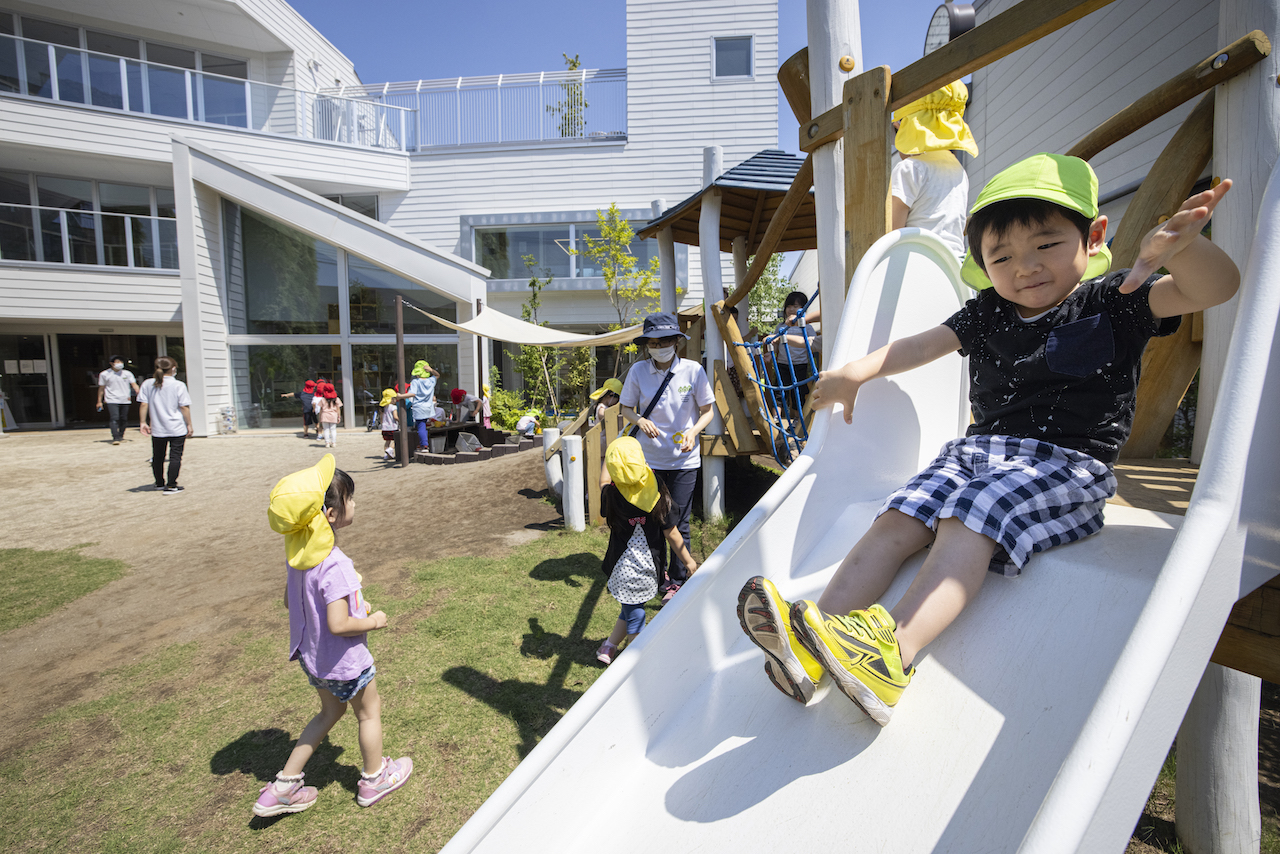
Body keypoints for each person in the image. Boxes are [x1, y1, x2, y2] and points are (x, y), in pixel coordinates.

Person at [736, 154, 1240, 725]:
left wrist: (1180, 249)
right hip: (978, 453)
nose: (1023, 268)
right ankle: (812, 638)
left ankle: (894, 653)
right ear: (982, 264)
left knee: (970, 513)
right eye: (1001, 257)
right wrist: (858, 371)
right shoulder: (988, 311)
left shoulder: (1116, 299)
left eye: (1045, 246)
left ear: (1093, 235)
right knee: (901, 513)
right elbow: (921, 345)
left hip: (1066, 466)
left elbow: (1216, 289)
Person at [256, 454, 412, 816]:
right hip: (345, 662)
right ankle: (375, 778)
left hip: (314, 660)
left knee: (328, 713)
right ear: (330, 514)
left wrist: (352, 603)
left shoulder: (299, 559)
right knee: (368, 713)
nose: (354, 504)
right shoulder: (336, 564)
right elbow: (339, 625)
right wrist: (374, 621)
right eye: (350, 498)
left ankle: (284, 785)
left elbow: (290, 602)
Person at [619, 312, 715, 602]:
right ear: (646, 344)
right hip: (649, 461)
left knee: (678, 520)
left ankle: (676, 580)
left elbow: (708, 410)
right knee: (654, 521)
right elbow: (626, 408)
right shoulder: (638, 372)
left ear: (676, 341)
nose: (659, 346)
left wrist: (694, 432)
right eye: (653, 341)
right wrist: (639, 421)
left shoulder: (694, 371)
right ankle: (655, 574)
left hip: (685, 461)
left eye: (665, 340)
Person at [596, 437, 699, 665]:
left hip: (622, 570)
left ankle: (612, 646)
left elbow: (604, 480)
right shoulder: (657, 487)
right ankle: (636, 661)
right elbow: (672, 533)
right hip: (650, 569)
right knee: (635, 613)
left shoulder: (612, 495)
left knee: (632, 609)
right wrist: (688, 561)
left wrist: (609, 460)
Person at [890, 80, 978, 262]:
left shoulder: (910, 168)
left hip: (918, 261)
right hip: (954, 264)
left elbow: (892, 233)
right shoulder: (958, 169)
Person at [137, 356, 193, 494]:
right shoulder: (178, 385)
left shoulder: (148, 384)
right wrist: (189, 424)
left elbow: (144, 404)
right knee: (175, 456)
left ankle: (159, 483)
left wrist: (143, 422)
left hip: (157, 427)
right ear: (173, 368)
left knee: (158, 456)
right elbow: (184, 407)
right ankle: (171, 485)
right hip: (176, 426)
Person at [774, 292, 819, 416]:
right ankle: (776, 418)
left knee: (797, 393)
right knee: (779, 391)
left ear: (804, 308)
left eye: (796, 306)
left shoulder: (806, 327)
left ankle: (797, 419)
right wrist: (770, 352)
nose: (791, 309)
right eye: (789, 306)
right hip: (782, 363)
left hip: (800, 364)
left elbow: (814, 343)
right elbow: (776, 344)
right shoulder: (781, 327)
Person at [396, 360, 440, 451]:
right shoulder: (430, 381)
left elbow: (412, 394)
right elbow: (437, 375)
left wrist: (401, 396)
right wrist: (431, 370)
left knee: (421, 427)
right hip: (428, 407)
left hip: (419, 407)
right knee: (422, 425)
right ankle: (421, 443)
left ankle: (424, 445)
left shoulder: (416, 382)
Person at [96, 355, 139, 445]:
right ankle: (115, 437)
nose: (120, 364)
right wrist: (99, 401)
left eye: (121, 362)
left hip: (125, 399)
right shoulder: (105, 374)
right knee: (114, 418)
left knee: (124, 418)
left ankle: (121, 435)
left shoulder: (127, 373)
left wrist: (138, 392)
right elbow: (101, 388)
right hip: (111, 399)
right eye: (117, 362)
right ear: (111, 363)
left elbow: (134, 384)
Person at [316, 383, 342, 448]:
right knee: (333, 430)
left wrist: (320, 417)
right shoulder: (336, 399)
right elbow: (338, 408)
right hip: (333, 415)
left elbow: (321, 409)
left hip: (325, 415)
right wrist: (339, 416)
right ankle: (333, 443)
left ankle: (327, 443)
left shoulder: (323, 399)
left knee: (326, 430)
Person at [378, 388, 399, 461]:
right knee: (396, 440)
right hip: (392, 426)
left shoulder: (382, 407)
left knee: (387, 441)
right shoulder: (393, 407)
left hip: (385, 427)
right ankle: (390, 449)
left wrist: (382, 424)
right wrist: (400, 420)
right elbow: (395, 417)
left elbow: (381, 418)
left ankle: (386, 455)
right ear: (392, 399)